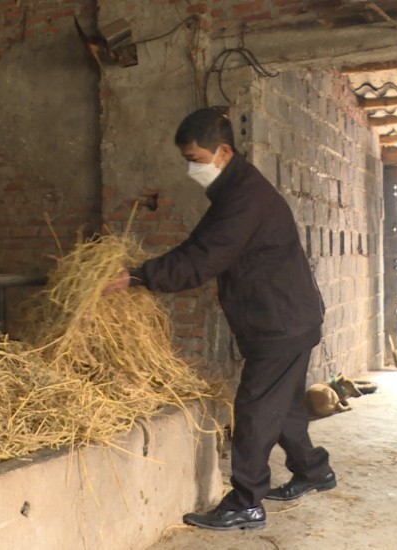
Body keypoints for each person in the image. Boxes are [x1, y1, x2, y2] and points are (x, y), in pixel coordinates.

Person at [105, 107, 335, 530]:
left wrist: (138, 276)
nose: (191, 169)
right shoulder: (236, 191)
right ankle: (314, 471)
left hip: (279, 322)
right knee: (281, 406)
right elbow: (202, 245)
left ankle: (247, 500)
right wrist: (145, 271)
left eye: (195, 159)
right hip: (288, 315)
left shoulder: (245, 198)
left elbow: (201, 259)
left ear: (223, 151)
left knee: (252, 408)